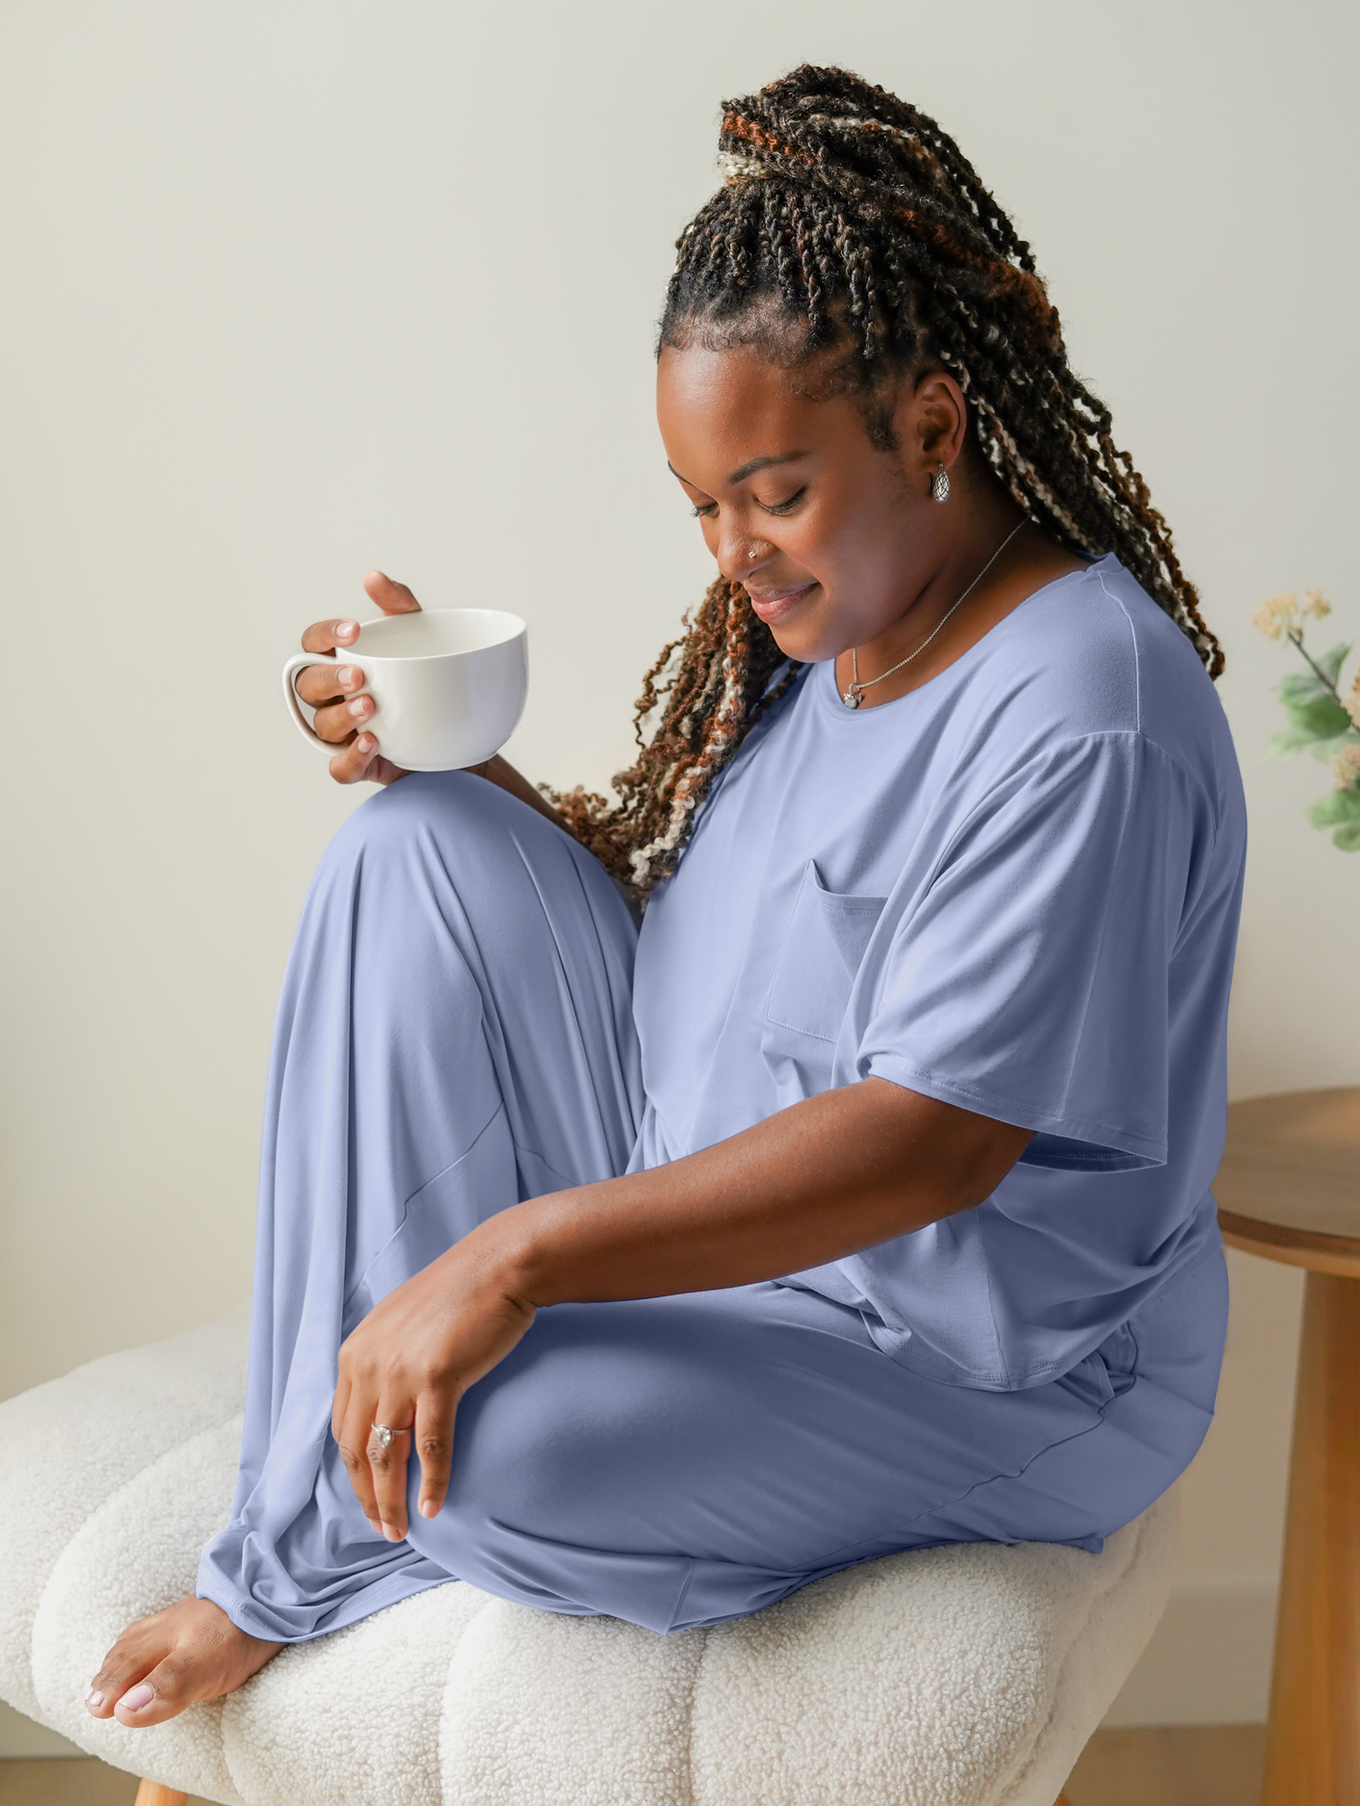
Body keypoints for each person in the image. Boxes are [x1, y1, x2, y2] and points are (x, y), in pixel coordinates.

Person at [85, 64, 1244, 1729]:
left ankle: (338, 1532)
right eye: (705, 505)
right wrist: (427, 745)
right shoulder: (835, 624)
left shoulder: (1083, 705)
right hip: (711, 1203)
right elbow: (719, 919)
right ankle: (297, 1532)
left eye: (774, 491)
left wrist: (515, 1256)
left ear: (930, 425)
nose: (736, 553)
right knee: (409, 843)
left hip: (976, 1357)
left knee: (479, 1443)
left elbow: (937, 1140)